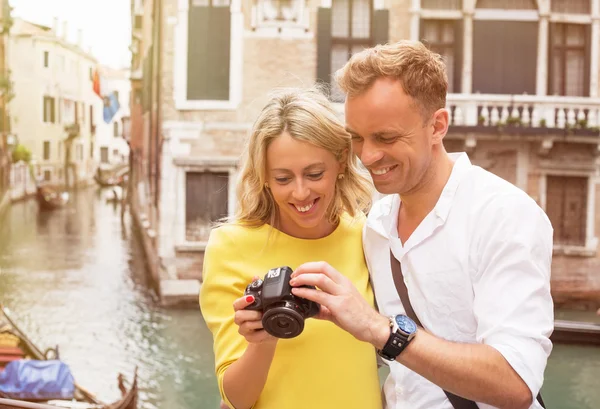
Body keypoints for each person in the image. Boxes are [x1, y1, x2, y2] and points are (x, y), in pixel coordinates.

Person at [290, 40, 554, 409]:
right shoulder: (376, 225)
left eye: (386, 137)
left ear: (438, 126)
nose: (367, 156)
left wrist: (380, 329)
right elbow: (404, 376)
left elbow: (515, 382)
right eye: (357, 138)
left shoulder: (503, 214)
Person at [199, 88, 383, 409]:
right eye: (283, 178)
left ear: (340, 161)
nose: (300, 193)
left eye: (314, 174)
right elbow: (236, 399)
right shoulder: (230, 246)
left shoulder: (367, 234)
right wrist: (263, 342)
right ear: (264, 177)